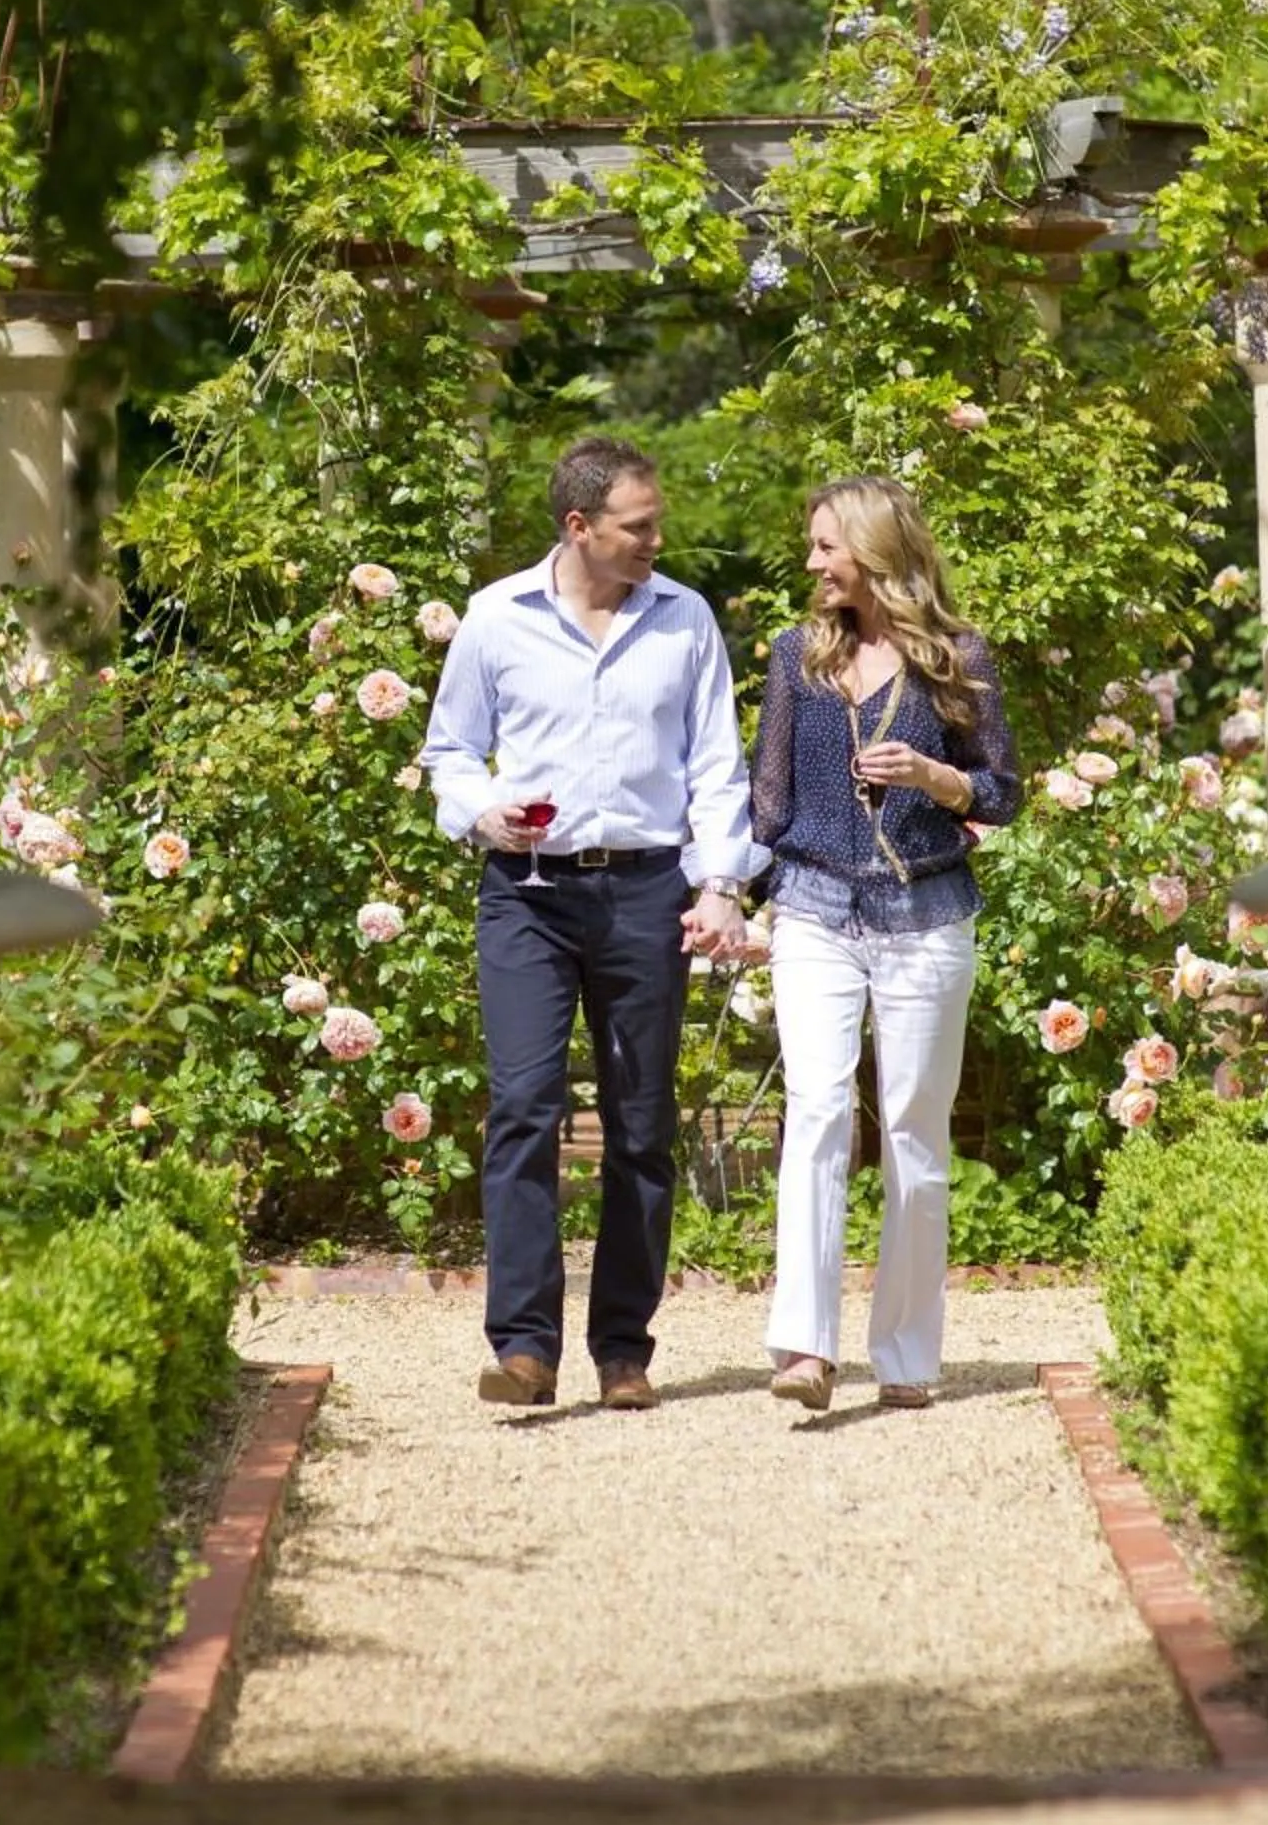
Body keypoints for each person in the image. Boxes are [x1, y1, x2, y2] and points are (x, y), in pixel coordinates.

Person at [423, 434, 759, 1413]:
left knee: (640, 1123)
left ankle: (623, 1350)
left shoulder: (686, 620)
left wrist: (721, 885)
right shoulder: (496, 619)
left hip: (649, 889)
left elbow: (715, 769)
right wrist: (476, 811)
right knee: (524, 1105)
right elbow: (449, 753)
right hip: (525, 891)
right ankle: (524, 1348)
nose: (659, 539)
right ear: (580, 527)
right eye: (639, 525)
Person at [751, 474, 1020, 1413]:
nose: (814, 561)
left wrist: (935, 778)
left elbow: (1002, 792)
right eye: (814, 545)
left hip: (928, 917)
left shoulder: (958, 657)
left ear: (875, 551)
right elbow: (769, 801)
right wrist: (739, 895)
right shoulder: (798, 658)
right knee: (820, 1110)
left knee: (913, 1130)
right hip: (818, 910)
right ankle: (805, 1348)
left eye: (828, 546)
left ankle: (905, 1354)